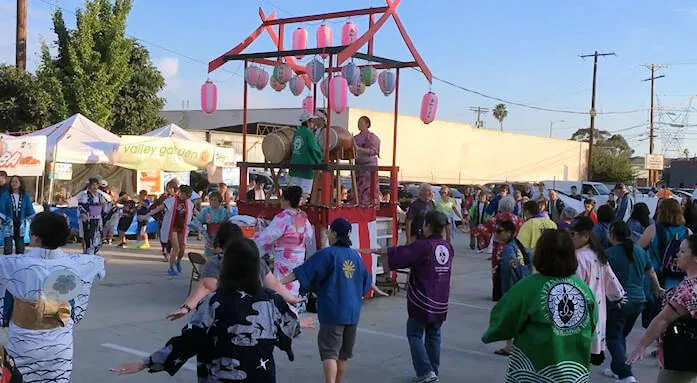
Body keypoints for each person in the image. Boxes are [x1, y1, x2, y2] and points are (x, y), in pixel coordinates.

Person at [112, 238, 300, 382]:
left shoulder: (214, 302)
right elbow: (289, 330)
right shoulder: (273, 300)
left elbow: (188, 341)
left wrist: (146, 362)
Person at [0, 211, 105, 381]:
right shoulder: (80, 263)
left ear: (34, 236)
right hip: (61, 344)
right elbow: (100, 266)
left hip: (24, 344)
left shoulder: (12, 264)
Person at [482, 229, 598, 382]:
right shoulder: (583, 289)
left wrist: (492, 334)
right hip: (573, 373)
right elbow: (593, 322)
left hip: (533, 372)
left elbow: (503, 320)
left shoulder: (527, 287)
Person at [281, 218, 372, 383]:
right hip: (353, 313)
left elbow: (302, 272)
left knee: (330, 353)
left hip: (333, 311)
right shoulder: (355, 256)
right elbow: (366, 282)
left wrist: (277, 283)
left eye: (329, 231)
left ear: (335, 234)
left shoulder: (327, 254)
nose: (328, 234)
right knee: (343, 355)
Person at [370, 211, 453, 383]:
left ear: (428, 226)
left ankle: (426, 372)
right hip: (441, 298)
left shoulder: (423, 246)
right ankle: (432, 370)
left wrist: (381, 251)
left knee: (414, 334)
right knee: (434, 334)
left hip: (423, 298)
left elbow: (403, 254)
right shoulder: (447, 247)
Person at [167, 221, 301, 321]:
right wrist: (291, 299)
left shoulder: (216, 262)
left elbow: (206, 286)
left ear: (220, 243)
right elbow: (274, 285)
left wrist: (187, 307)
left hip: (225, 317)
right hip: (256, 317)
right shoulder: (256, 261)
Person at [628, 234, 697, 383]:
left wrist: (641, 345)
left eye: (683, 251)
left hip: (682, 359)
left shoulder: (689, 289)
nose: (677, 254)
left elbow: (663, 319)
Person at [603, 221, 663, 382]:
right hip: (638, 301)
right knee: (621, 335)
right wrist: (657, 289)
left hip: (618, 301)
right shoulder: (640, 251)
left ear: (612, 234)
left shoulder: (609, 253)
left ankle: (625, 374)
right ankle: (618, 367)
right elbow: (651, 272)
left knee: (613, 337)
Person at [569, 216, 626, 362]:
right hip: (597, 307)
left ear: (585, 236)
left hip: (582, 310)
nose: (570, 238)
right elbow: (610, 277)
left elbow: (574, 288)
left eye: (572, 235)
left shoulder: (578, 258)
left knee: (576, 354)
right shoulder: (597, 253)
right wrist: (618, 295)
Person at [253, 186, 315, 307]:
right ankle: (293, 309)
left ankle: (283, 311)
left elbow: (267, 237)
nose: (280, 201)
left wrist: (253, 241)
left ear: (287, 201)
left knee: (280, 284)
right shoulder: (303, 217)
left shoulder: (283, 217)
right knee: (294, 284)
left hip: (284, 257)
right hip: (299, 255)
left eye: (282, 199)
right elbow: (308, 237)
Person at [491, 219, 533, 356]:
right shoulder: (518, 244)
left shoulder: (509, 249)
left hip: (512, 288)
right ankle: (514, 345)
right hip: (523, 286)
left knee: (510, 318)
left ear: (509, 233)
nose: (496, 234)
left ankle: (511, 346)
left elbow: (513, 267)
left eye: (499, 231)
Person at [470, 196, 523, 301]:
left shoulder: (496, 219)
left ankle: (498, 294)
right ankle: (513, 292)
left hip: (499, 248)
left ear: (500, 206)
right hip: (514, 248)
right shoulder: (519, 220)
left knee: (497, 271)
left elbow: (483, 229)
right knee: (513, 269)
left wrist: (472, 231)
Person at [148, 185, 194, 277]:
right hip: (172, 227)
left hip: (182, 227)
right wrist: (146, 215)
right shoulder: (171, 201)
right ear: (181, 193)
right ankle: (171, 267)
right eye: (187, 194)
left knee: (182, 248)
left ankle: (178, 261)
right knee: (176, 248)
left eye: (190, 195)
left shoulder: (189, 203)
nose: (188, 197)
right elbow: (158, 208)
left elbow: (195, 213)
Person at [289, 111, 323, 198]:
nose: (313, 124)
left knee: (293, 195)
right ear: (307, 122)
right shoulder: (309, 134)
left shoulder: (297, 132)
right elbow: (314, 149)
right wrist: (320, 160)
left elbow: (293, 147)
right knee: (303, 195)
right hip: (306, 169)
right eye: (312, 121)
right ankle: (299, 211)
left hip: (295, 168)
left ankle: (293, 211)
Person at [0, 175, 35, 254]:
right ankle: (7, 264)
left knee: (20, 247)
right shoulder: (5, 195)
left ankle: (20, 264)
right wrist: (2, 219)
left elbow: (29, 209)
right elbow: (1, 208)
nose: (14, 183)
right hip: (8, 223)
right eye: (12, 181)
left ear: (20, 183)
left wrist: (34, 220)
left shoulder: (25, 196)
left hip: (21, 223)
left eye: (16, 181)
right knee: (8, 247)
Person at [191, 191, 231, 258]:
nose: (213, 201)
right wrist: (202, 230)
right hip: (209, 236)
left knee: (221, 257)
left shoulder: (224, 211)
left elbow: (229, 224)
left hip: (221, 236)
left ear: (219, 201)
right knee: (209, 257)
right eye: (211, 199)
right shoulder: (205, 211)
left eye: (215, 200)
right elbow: (197, 221)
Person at [76, 177, 110, 254]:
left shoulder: (100, 195)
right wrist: (83, 213)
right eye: (93, 185)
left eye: (96, 185)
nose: (95, 187)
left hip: (97, 217)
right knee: (87, 235)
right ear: (89, 185)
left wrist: (104, 210)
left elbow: (106, 203)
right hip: (86, 217)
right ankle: (87, 251)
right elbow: (78, 204)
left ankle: (92, 250)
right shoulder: (83, 194)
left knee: (97, 235)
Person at [354, 116, 381, 206]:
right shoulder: (355, 137)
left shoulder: (372, 137)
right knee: (358, 187)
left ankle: (370, 206)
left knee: (369, 189)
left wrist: (359, 149)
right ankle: (358, 204)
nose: (359, 124)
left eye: (361, 122)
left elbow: (374, 151)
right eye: (358, 122)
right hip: (358, 167)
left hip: (369, 169)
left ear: (367, 124)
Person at [150, 179, 180, 260]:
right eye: (168, 188)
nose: (168, 190)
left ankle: (168, 252)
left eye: (170, 188)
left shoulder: (178, 198)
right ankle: (165, 251)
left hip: (173, 221)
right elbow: (155, 206)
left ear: (175, 188)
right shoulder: (163, 197)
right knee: (163, 236)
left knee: (170, 238)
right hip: (162, 219)